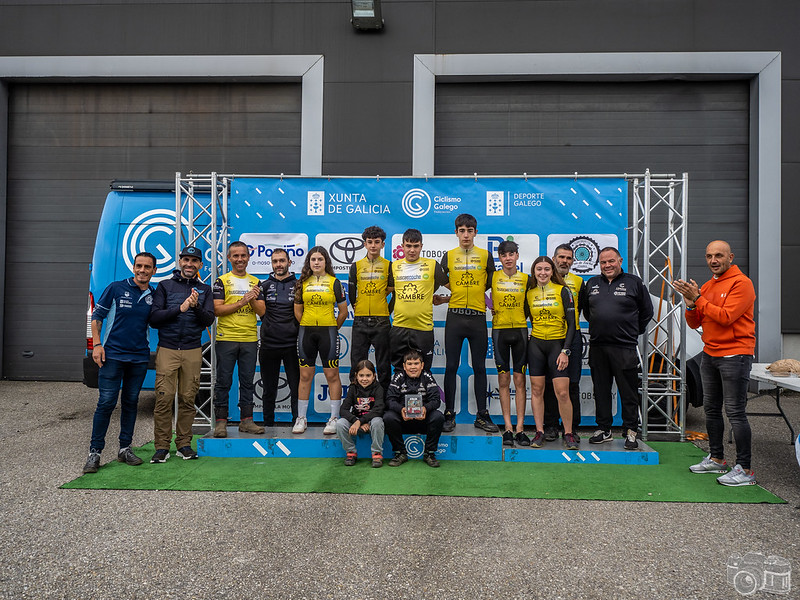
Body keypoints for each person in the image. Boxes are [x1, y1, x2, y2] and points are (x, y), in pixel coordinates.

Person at [675, 240, 757, 486]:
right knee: (711, 409)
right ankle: (717, 459)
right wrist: (690, 304)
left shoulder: (742, 284)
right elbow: (694, 322)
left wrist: (697, 298)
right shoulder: (710, 285)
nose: (713, 260)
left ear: (730, 257)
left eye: (719, 255)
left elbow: (725, 317)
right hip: (710, 354)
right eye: (709, 255)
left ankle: (745, 469)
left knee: (735, 412)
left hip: (735, 355)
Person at [82, 252, 156, 474]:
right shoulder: (115, 288)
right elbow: (97, 317)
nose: (142, 270)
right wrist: (96, 345)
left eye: (147, 267)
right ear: (133, 267)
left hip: (140, 358)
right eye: (139, 266)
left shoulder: (154, 294)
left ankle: (125, 449)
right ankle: (94, 453)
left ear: (154, 270)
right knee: (106, 403)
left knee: (131, 403)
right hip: (112, 356)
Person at [580, 247, 653, 449]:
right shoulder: (592, 284)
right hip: (598, 347)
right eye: (603, 262)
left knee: (628, 392)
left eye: (611, 261)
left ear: (620, 261)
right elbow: (587, 312)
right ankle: (604, 429)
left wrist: (630, 332)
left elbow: (647, 312)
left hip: (624, 347)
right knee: (601, 391)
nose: (607, 265)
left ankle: (630, 431)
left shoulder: (634, 283)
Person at [149, 245, 215, 463]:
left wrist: (195, 307)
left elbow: (208, 320)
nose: (189, 264)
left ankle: (184, 444)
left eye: (194, 261)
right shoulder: (165, 286)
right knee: (164, 398)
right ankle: (161, 447)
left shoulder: (205, 289)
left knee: (188, 398)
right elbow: (154, 318)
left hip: (192, 350)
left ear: (200, 265)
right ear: (180, 262)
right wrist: (181, 308)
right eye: (186, 260)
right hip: (168, 349)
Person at [437, 214, 497, 433]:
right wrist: (445, 297)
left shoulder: (485, 255)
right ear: (456, 232)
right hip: (454, 317)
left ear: (476, 233)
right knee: (451, 366)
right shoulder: (448, 256)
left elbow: (490, 282)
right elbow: (441, 280)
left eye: (469, 230)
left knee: (480, 367)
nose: (465, 235)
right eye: (461, 230)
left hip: (478, 317)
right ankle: (449, 414)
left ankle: (481, 415)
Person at [212, 241, 266, 438]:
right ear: (229, 258)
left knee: (247, 381)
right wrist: (242, 300)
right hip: (227, 338)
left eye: (243, 255)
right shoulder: (222, 281)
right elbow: (217, 309)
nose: (240, 259)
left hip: (249, 338)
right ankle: (221, 423)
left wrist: (252, 300)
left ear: (248, 257)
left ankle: (247, 421)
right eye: (235, 256)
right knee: (223, 381)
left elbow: (262, 312)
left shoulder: (256, 282)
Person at [293, 246, 348, 435]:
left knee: (332, 376)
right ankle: (301, 418)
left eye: (320, 259)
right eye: (313, 259)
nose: (316, 263)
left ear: (326, 262)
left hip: (328, 333)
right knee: (305, 376)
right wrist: (309, 325)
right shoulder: (301, 283)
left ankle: (334, 418)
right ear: (309, 262)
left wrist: (331, 328)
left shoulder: (335, 283)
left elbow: (343, 312)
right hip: (306, 332)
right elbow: (298, 311)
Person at [526, 256, 578, 450]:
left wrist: (565, 351)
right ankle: (539, 432)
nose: (542, 273)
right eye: (539, 269)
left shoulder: (563, 291)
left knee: (562, 392)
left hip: (557, 345)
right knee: (537, 391)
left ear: (552, 271)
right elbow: (523, 316)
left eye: (547, 269)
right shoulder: (529, 293)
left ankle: (569, 433)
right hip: (537, 346)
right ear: (534, 272)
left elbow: (572, 324)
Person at [488, 240, 530, 446]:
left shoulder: (526, 279)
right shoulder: (493, 276)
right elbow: (476, 290)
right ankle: (507, 428)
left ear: (517, 256)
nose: (508, 258)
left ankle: (520, 429)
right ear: (500, 258)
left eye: (511, 254)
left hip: (520, 331)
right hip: (500, 331)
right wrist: (490, 305)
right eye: (504, 255)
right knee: (503, 381)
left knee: (520, 381)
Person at [543, 244, 586, 442]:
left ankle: (571, 428)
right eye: (561, 257)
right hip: (551, 336)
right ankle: (550, 425)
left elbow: (584, 309)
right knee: (551, 382)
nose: (564, 261)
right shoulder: (543, 280)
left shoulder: (578, 282)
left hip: (573, 337)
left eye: (569, 258)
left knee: (573, 383)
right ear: (553, 258)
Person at [389, 229, 447, 372]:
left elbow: (456, 289)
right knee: (398, 370)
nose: (412, 250)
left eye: (416, 246)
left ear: (421, 246)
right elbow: (385, 293)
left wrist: (445, 299)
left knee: (424, 371)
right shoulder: (394, 266)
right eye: (408, 246)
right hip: (399, 327)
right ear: (402, 246)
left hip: (423, 328)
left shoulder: (432, 265)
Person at [348, 225, 394, 391]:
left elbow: (394, 293)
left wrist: (387, 311)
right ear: (364, 244)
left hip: (381, 321)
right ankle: (357, 401)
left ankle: (384, 403)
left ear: (383, 244)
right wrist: (357, 306)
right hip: (360, 320)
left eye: (377, 242)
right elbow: (352, 293)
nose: (373, 245)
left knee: (383, 364)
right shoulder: (356, 266)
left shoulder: (390, 266)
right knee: (357, 364)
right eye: (370, 242)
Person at [258, 248, 300, 426]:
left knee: (296, 388)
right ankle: (268, 424)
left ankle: (297, 422)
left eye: (282, 261)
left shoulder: (299, 284)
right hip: (269, 344)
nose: (278, 264)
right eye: (275, 261)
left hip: (293, 345)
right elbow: (260, 313)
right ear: (271, 263)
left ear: (289, 262)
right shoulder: (263, 285)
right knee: (269, 388)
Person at [383, 350, 445, 468]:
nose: (413, 367)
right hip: (403, 419)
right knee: (388, 417)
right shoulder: (398, 377)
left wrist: (425, 408)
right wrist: (401, 409)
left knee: (438, 416)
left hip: (422, 419)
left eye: (416, 363)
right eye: (409, 364)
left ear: (422, 365)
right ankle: (400, 453)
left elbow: (436, 400)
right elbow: (390, 400)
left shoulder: (427, 377)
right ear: (404, 366)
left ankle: (429, 453)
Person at [336, 359, 386, 468]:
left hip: (372, 422)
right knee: (340, 424)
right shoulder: (353, 388)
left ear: (374, 376)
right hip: (356, 423)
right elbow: (343, 410)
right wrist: (356, 421)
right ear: (356, 376)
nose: (364, 379)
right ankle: (351, 453)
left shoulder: (378, 388)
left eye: (368, 375)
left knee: (378, 421)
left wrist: (362, 421)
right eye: (361, 375)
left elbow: (379, 409)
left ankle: (377, 453)